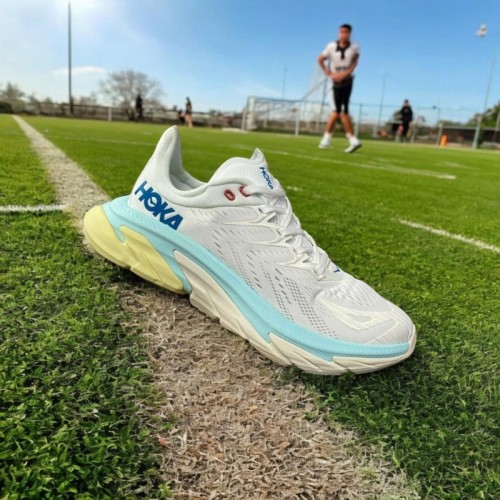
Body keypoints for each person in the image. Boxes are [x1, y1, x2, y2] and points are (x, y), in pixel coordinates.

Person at [318, 24, 362, 153]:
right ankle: (345, 139)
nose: (343, 35)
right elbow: (320, 59)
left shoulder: (354, 47)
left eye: (346, 32)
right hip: (335, 82)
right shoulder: (331, 46)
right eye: (341, 32)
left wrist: (346, 73)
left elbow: (355, 62)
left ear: (350, 34)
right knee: (339, 110)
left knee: (340, 110)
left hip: (347, 81)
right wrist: (329, 73)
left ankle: (329, 139)